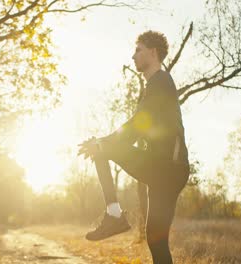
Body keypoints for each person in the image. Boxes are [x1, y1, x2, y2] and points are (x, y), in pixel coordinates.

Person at [78, 30, 189, 264]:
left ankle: (114, 215)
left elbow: (135, 128)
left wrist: (102, 143)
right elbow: (136, 128)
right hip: (165, 169)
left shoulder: (161, 82)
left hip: (167, 167)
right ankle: (114, 215)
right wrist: (105, 142)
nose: (133, 56)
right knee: (157, 242)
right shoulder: (155, 86)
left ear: (153, 52)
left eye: (138, 50)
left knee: (102, 150)